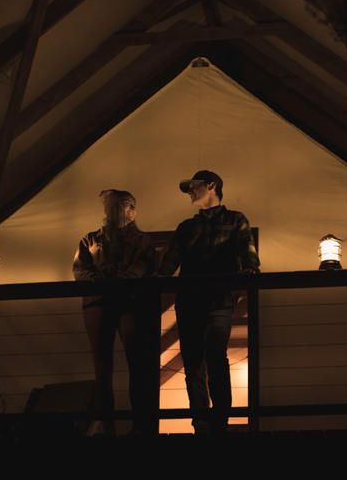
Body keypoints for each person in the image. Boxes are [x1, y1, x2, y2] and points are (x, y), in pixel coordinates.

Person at [158, 170, 260, 434]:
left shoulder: (235, 220)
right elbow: (168, 265)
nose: (190, 192)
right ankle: (204, 420)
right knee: (196, 360)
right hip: (195, 300)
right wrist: (156, 278)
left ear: (211, 186)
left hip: (216, 300)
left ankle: (216, 419)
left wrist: (250, 270)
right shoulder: (187, 227)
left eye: (194, 187)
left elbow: (248, 253)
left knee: (213, 357)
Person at [73, 189, 155, 435]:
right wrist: (107, 281)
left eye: (128, 206)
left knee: (135, 364)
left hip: (127, 304)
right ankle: (107, 422)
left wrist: (113, 280)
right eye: (123, 206)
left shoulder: (142, 241)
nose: (128, 211)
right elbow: (81, 271)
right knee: (103, 366)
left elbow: (146, 267)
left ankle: (138, 425)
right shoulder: (90, 240)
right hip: (101, 303)